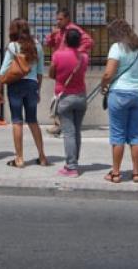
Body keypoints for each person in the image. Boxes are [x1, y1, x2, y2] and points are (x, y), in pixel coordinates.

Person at [0, 18, 49, 168]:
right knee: (33, 121)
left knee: (17, 121)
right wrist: (37, 90)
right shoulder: (37, 46)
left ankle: (19, 159)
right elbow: (40, 72)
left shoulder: (13, 47)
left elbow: (2, 72)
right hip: (32, 85)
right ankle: (42, 157)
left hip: (15, 86)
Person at [101, 19, 138, 183]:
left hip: (120, 93)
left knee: (118, 135)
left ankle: (115, 173)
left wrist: (103, 85)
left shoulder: (117, 48)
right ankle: (136, 173)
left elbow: (108, 73)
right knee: (135, 134)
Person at [44, 8, 93, 135]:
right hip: (59, 64)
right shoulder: (59, 31)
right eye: (57, 19)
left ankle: (62, 124)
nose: (58, 22)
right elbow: (48, 43)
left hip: (69, 65)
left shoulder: (74, 30)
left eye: (60, 19)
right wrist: (52, 35)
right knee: (58, 95)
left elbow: (89, 41)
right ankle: (59, 123)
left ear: (67, 18)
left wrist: (77, 54)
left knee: (65, 94)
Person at [51, 29, 89, 178]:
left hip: (65, 97)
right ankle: (75, 162)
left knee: (68, 133)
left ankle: (71, 167)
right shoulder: (84, 57)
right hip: (80, 96)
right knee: (76, 131)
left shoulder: (57, 55)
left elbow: (52, 73)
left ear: (65, 40)